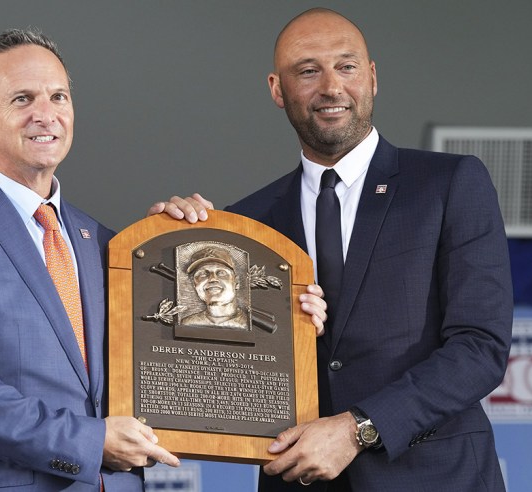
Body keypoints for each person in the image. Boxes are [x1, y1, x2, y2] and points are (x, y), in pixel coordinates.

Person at [152, 8, 513, 492]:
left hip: (435, 476)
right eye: (307, 70)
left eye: (346, 66)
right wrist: (173, 241)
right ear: (277, 89)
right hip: (297, 481)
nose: (331, 86)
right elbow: (214, 364)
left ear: (372, 77)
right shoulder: (246, 225)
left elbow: (480, 346)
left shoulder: (449, 184)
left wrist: (359, 428)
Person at [0, 29, 183, 491]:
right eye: (23, 98)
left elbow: (170, 355)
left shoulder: (106, 242)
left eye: (58, 97)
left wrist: (176, 249)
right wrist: (87, 442)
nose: (45, 114)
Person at [180, 246, 249, 329]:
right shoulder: (186, 323)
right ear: (195, 284)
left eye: (221, 273)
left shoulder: (247, 323)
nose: (212, 279)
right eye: (203, 274)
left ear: (236, 282)